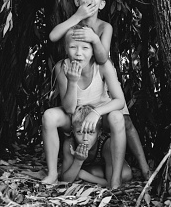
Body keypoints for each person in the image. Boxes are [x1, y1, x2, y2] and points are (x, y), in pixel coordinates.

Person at [49, 0, 150, 179]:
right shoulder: (72, 26)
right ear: (77, 0)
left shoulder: (104, 27)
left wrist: (94, 39)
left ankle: (145, 169)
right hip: (79, 90)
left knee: (125, 122)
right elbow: (53, 36)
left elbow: (103, 58)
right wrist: (77, 17)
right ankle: (66, 172)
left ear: (102, 3)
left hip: (103, 86)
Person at [42, 26, 127, 189]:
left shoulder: (103, 66)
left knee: (117, 117)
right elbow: (68, 108)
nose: (79, 53)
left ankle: (115, 180)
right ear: (66, 49)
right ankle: (52, 173)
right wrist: (72, 81)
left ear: (93, 50)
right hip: (74, 116)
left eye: (85, 48)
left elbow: (120, 101)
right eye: (73, 47)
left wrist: (96, 112)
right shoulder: (62, 66)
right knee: (49, 116)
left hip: (99, 116)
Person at [61, 105, 132, 186]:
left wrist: (82, 174)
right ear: (73, 131)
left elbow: (110, 183)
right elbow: (66, 180)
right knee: (95, 172)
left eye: (91, 132)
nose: (85, 138)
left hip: (104, 167)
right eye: (80, 132)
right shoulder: (71, 143)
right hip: (93, 169)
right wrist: (78, 161)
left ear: (99, 133)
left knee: (126, 174)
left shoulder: (106, 143)